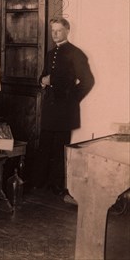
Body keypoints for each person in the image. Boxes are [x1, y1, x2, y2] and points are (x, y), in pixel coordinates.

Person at [33, 17, 94, 203]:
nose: (55, 34)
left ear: (67, 30)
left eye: (59, 30)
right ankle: (39, 182)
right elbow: (44, 76)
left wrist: (72, 99)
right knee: (44, 146)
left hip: (65, 110)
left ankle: (57, 186)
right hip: (50, 108)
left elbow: (88, 81)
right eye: (53, 31)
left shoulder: (76, 53)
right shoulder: (51, 53)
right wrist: (42, 82)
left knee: (59, 148)